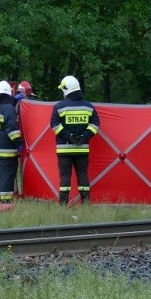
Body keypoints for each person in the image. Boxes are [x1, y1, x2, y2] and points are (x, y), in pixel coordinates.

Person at [50, 75, 100, 205]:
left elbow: (55, 125)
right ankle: (86, 202)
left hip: (64, 148)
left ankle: (63, 203)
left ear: (66, 89)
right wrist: (84, 136)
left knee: (65, 176)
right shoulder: (88, 107)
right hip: (82, 148)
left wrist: (69, 137)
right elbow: (95, 124)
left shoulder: (59, 107)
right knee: (83, 174)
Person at [0, 81, 23, 203]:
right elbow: (12, 129)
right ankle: (6, 202)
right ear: (8, 93)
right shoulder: (8, 108)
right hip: (6, 150)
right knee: (7, 175)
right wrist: (18, 143)